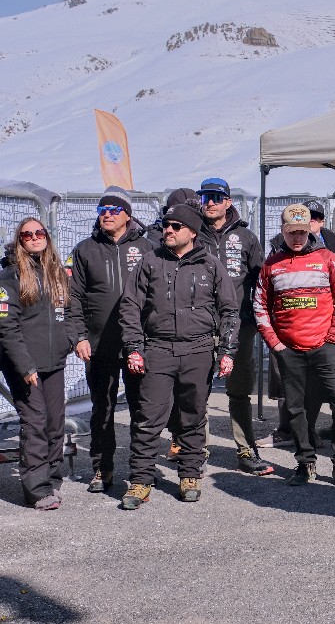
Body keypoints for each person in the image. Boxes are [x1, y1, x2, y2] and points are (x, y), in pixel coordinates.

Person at [118, 202, 238, 509]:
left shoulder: (211, 265)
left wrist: (227, 351)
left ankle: (189, 475)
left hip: (198, 350)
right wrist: (134, 347)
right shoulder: (149, 262)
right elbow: (130, 306)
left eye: (175, 226)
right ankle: (141, 480)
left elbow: (229, 310)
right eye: (165, 225)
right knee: (148, 419)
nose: (168, 231)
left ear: (192, 232)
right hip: (157, 350)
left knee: (193, 417)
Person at [253, 204, 335, 488]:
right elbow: (260, 306)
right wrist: (275, 344)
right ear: (283, 232)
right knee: (297, 409)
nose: (297, 238)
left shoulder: (327, 258)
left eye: (302, 231)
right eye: (291, 232)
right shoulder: (271, 264)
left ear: (310, 229)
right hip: (289, 351)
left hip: (326, 346)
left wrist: (334, 336)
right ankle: (305, 461)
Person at [66, 187, 155, 493]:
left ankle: (143, 469)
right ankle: (102, 469)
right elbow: (73, 298)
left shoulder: (147, 247)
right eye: (102, 209)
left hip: (138, 343)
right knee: (102, 409)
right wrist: (79, 336)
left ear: (127, 215)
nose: (107, 214)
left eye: (114, 209)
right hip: (98, 343)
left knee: (142, 408)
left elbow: (158, 295)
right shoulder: (84, 250)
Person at [196, 177, 272, 476]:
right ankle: (196, 452)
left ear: (228, 202)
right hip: (199, 326)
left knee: (239, 391)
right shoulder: (192, 233)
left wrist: (257, 318)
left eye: (216, 197)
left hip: (238, 326)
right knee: (197, 392)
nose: (210, 203)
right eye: (205, 197)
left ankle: (245, 449)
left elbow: (261, 280)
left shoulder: (246, 237)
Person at [0, 217, 72, 509]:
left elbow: (69, 313)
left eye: (39, 232)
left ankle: (52, 478)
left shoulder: (56, 272)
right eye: (27, 235)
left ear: (47, 237)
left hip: (53, 361)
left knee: (55, 422)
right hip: (25, 365)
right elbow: (6, 327)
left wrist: (71, 341)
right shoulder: (10, 276)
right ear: (20, 240)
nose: (34, 237)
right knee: (36, 422)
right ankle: (37, 490)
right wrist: (25, 366)